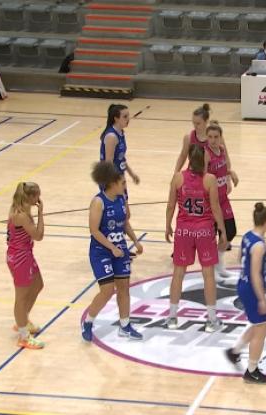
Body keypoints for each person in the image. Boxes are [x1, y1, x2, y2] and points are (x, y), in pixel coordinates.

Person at [166, 144, 227, 332]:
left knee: (178, 273)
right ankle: (211, 320)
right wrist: (222, 230)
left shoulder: (178, 178)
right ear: (203, 159)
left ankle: (172, 318)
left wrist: (167, 225)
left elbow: (171, 205)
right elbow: (215, 208)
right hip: (204, 231)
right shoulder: (210, 179)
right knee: (208, 275)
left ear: (189, 159)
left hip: (183, 230)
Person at [82, 161, 144, 342]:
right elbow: (94, 230)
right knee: (107, 290)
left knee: (124, 288)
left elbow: (124, 223)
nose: (125, 186)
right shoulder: (98, 202)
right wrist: (112, 248)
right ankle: (88, 322)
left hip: (119, 249)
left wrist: (135, 241)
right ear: (112, 183)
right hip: (101, 251)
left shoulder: (121, 199)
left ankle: (125, 326)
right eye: (123, 183)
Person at [225, 203, 266, 385]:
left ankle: (234, 351)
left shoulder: (247, 236)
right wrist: (262, 299)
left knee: (258, 324)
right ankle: (251, 371)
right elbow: (255, 275)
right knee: (262, 327)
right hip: (252, 288)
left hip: (243, 284)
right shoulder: (259, 245)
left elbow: (240, 259)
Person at [6, 182, 45, 350]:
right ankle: (23, 335)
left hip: (25, 255)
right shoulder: (21, 215)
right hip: (20, 258)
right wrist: (41, 214)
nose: (39, 198)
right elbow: (38, 235)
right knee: (21, 297)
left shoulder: (21, 210)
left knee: (38, 284)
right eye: (37, 195)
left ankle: (23, 320)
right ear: (29, 197)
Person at [204, 122, 237, 281]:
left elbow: (224, 168)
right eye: (210, 137)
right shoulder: (206, 153)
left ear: (221, 137)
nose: (213, 140)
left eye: (216, 137)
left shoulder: (222, 150)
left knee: (230, 231)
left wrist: (230, 174)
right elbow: (202, 177)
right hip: (212, 201)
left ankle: (219, 264)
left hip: (223, 198)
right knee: (212, 235)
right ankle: (212, 269)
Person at [101, 104, 140, 218]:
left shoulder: (121, 133)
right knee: (122, 215)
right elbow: (108, 163)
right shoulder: (112, 136)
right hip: (111, 179)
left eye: (128, 116)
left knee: (125, 215)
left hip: (119, 178)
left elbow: (121, 158)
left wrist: (132, 174)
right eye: (125, 117)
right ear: (116, 118)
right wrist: (115, 183)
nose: (128, 119)